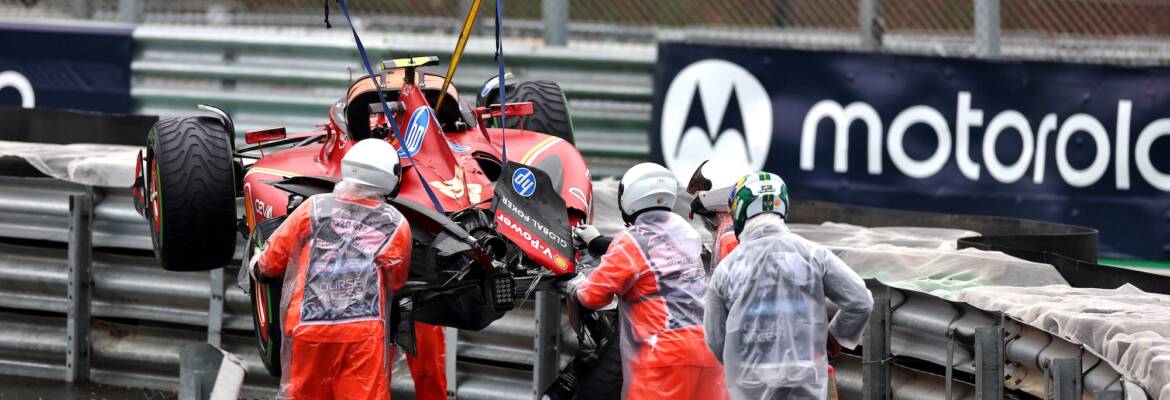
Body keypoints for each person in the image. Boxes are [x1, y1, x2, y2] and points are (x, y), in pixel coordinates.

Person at [253, 138, 411, 400]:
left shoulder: (312, 209)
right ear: (389, 178)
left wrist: (257, 266)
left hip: (308, 329)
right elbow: (395, 282)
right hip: (362, 334)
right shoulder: (395, 224)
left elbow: (272, 260)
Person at [563, 162, 727, 400]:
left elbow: (592, 296)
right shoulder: (686, 233)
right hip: (707, 349)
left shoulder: (630, 243)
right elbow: (653, 249)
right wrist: (598, 241)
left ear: (629, 197)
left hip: (662, 354)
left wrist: (574, 284)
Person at [704, 172, 873, 399]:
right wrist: (834, 336)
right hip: (805, 375)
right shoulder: (814, 254)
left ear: (740, 210)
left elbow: (715, 338)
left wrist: (740, 363)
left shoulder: (726, 269)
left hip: (751, 382)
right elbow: (861, 301)